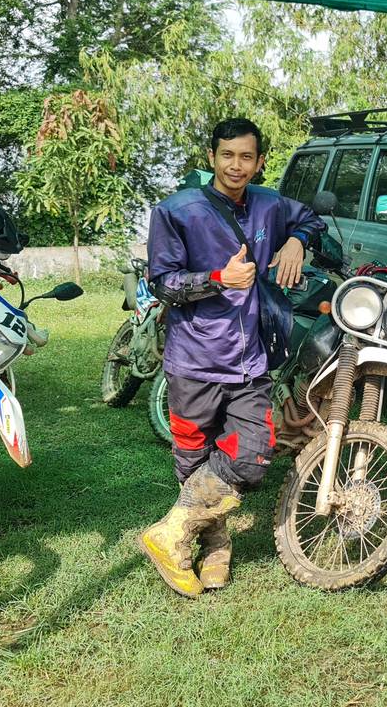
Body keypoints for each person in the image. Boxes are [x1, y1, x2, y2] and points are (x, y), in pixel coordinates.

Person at [138, 117, 324, 596]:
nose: (236, 165)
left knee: (252, 455)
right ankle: (215, 548)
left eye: (246, 157)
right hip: (196, 357)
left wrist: (296, 240)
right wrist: (217, 279)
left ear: (260, 162)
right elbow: (161, 282)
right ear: (211, 157)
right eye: (227, 155)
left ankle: (168, 533)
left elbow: (312, 218)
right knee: (193, 458)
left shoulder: (270, 204)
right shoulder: (177, 210)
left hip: (252, 358)